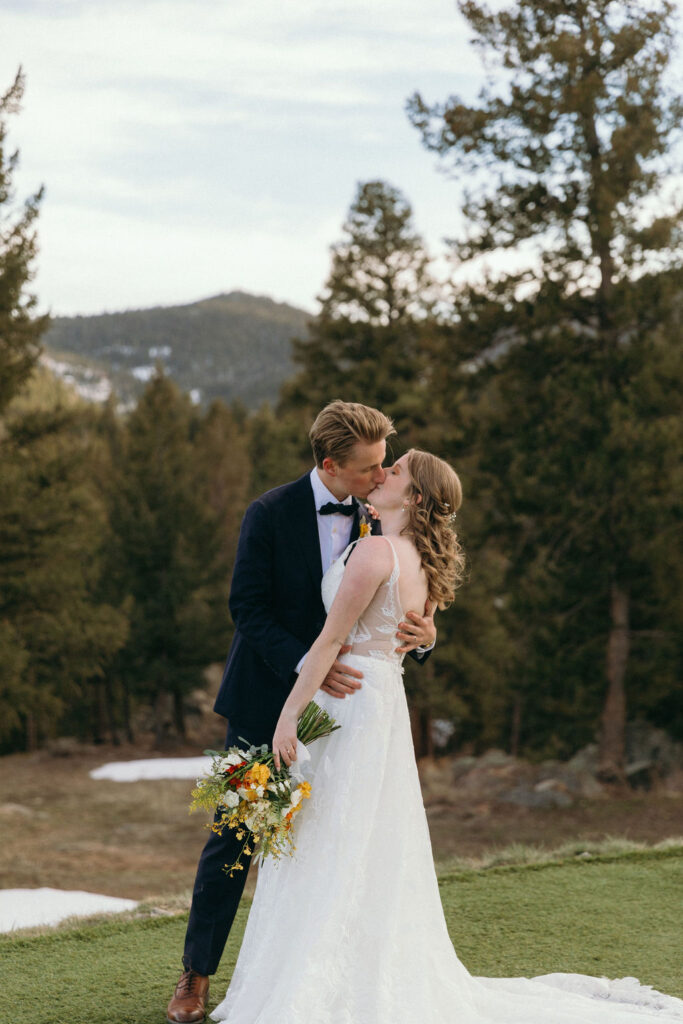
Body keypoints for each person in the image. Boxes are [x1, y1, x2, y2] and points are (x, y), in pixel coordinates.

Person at [208, 448, 683, 1024]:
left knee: (324, 837)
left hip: (349, 706)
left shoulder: (374, 550)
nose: (383, 474)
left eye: (397, 471)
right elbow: (406, 630)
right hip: (380, 706)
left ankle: (311, 987)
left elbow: (333, 642)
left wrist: (287, 719)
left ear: (412, 498)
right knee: (364, 838)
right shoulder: (419, 558)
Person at [167, 401, 437, 1024]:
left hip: (351, 712)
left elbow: (400, 606)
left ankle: (333, 980)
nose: (380, 476)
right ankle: (196, 975)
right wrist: (307, 666)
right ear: (329, 464)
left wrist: (425, 639)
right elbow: (248, 608)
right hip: (268, 700)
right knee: (237, 834)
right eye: (369, 467)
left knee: (336, 840)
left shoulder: (383, 518)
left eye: (384, 466)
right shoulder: (268, 513)